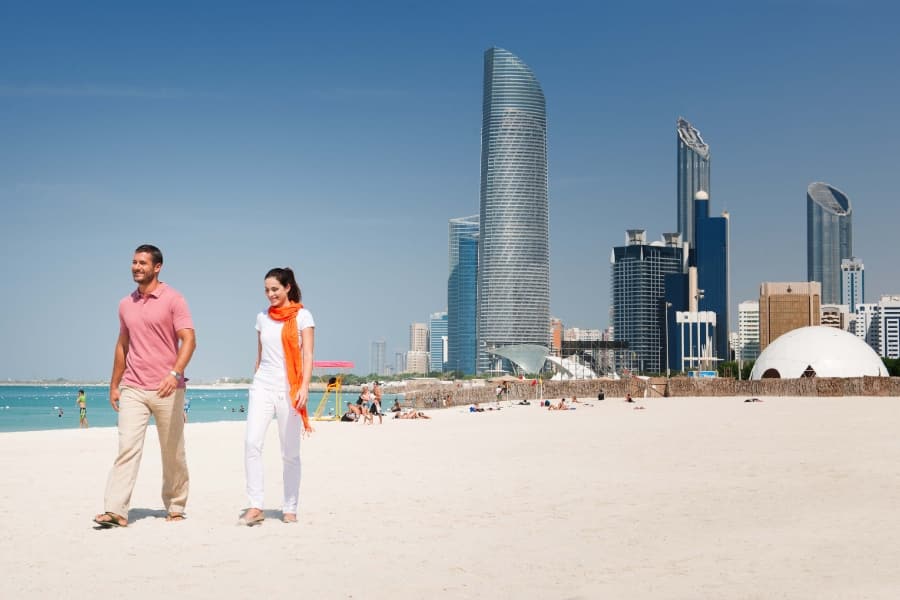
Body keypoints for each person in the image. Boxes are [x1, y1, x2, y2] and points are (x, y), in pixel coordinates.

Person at [94, 244, 196, 529]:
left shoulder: (174, 299)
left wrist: (174, 374)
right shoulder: (125, 304)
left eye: (142, 263)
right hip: (134, 387)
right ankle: (115, 510)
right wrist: (114, 384)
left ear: (157, 267)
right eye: (133, 262)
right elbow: (122, 345)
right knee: (127, 447)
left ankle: (175, 505)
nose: (136, 267)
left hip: (168, 388)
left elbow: (189, 340)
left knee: (172, 451)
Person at [239, 267, 315, 527]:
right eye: (267, 290)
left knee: (290, 452)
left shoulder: (303, 316)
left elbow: (307, 356)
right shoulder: (262, 317)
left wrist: (304, 386)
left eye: (275, 289)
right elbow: (260, 354)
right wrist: (256, 377)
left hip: (290, 388)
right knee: (251, 443)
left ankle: (290, 507)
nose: (270, 294)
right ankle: (255, 505)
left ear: (287, 288)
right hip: (263, 385)